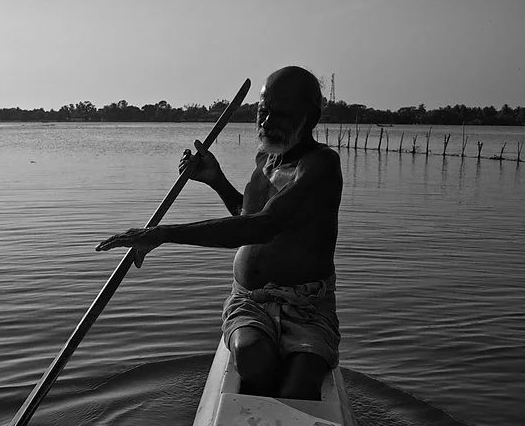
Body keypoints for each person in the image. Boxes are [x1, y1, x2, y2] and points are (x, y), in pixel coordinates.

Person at [96, 66, 342, 401]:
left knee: (299, 389)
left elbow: (265, 226)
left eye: (281, 114)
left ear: (310, 116)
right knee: (252, 358)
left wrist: (162, 233)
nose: (267, 123)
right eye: (262, 112)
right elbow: (246, 217)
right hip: (250, 302)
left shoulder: (321, 164)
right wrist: (216, 179)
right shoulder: (266, 161)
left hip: (306, 308)